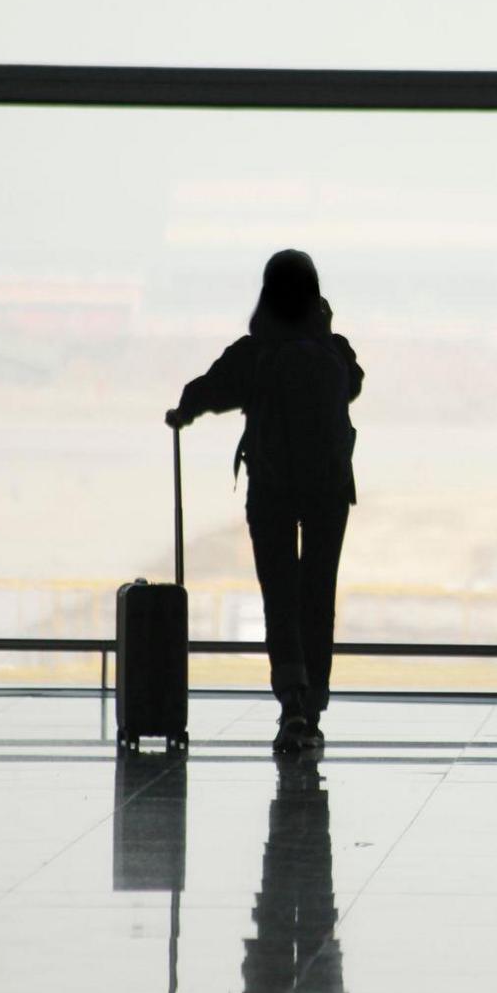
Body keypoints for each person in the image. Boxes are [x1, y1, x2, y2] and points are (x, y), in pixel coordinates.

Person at [167, 250, 361, 753]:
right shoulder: (334, 348)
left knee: (280, 594)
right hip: (329, 492)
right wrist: (324, 328)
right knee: (318, 593)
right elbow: (354, 386)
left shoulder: (256, 350)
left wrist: (182, 412)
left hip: (271, 489)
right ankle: (314, 706)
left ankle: (292, 704)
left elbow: (209, 389)